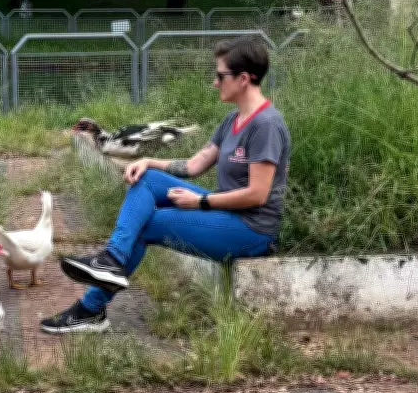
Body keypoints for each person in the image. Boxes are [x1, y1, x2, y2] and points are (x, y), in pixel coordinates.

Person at [40, 36, 291, 334]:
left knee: (147, 224)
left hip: (252, 230)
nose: (214, 82)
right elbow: (194, 165)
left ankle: (91, 308)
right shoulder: (232, 121)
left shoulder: (266, 126)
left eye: (220, 75)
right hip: (227, 215)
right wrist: (148, 161)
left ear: (244, 79)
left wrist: (201, 202)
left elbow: (257, 194)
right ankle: (110, 260)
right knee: (146, 179)